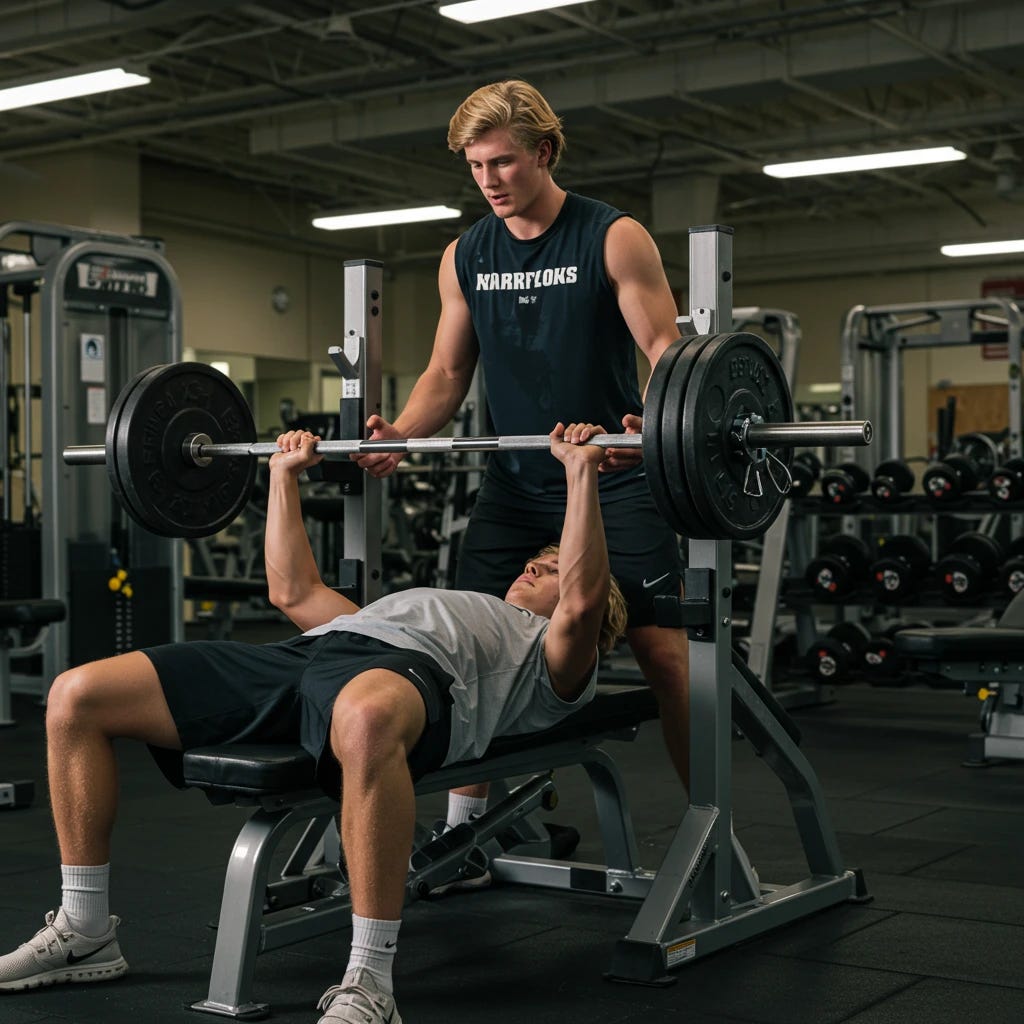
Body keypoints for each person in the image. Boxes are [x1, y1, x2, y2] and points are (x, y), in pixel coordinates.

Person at [0, 423, 626, 1024]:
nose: (534, 569)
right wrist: (284, 475)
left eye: (549, 568)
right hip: (305, 656)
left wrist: (580, 474)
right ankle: (85, 929)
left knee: (368, 717)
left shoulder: (554, 656)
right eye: (536, 562)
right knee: (76, 695)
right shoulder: (428, 605)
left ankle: (370, 981)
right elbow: (293, 591)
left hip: (407, 673)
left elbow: (582, 601)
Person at [353, 80, 691, 840]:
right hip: (515, 486)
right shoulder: (465, 254)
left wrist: (662, 416)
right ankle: (465, 831)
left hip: (614, 479)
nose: (489, 181)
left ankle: (712, 827)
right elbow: (446, 373)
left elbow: (665, 349)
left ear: (543, 152)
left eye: (502, 162)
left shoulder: (612, 236)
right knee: (464, 649)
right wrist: (401, 434)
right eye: (476, 167)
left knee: (667, 657)